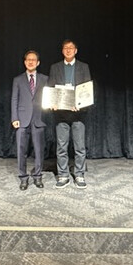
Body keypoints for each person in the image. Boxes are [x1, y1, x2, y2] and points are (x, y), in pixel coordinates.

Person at [48, 39, 91, 189]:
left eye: (71, 48)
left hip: (78, 114)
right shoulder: (55, 67)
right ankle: (63, 175)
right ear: (62, 51)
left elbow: (87, 89)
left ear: (76, 51)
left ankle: (79, 174)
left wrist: (80, 104)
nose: (68, 50)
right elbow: (51, 88)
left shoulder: (84, 67)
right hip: (61, 113)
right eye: (65, 48)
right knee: (61, 146)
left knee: (79, 147)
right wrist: (52, 102)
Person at [11, 50, 48, 190]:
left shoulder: (45, 79)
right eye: (28, 59)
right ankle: (23, 178)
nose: (30, 62)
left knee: (39, 150)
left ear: (38, 63)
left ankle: (38, 176)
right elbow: (14, 99)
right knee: (21, 150)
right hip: (22, 119)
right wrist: (14, 117)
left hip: (39, 118)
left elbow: (50, 97)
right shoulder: (18, 79)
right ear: (24, 62)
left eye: (33, 60)